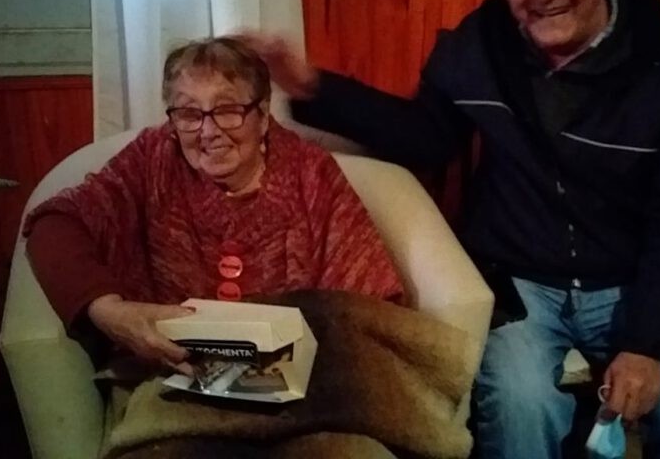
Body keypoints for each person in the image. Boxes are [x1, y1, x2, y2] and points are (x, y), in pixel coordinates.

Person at [243, 0, 660, 458]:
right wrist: (312, 86)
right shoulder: (481, 44)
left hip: (634, 282)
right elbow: (426, 136)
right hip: (519, 281)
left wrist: (648, 344)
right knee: (519, 408)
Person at [24, 37, 404, 374]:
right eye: (189, 113)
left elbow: (369, 305)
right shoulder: (152, 160)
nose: (208, 131)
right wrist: (109, 311)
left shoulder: (311, 173)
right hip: (171, 376)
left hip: (303, 384)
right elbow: (54, 226)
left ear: (262, 114)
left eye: (227, 109)